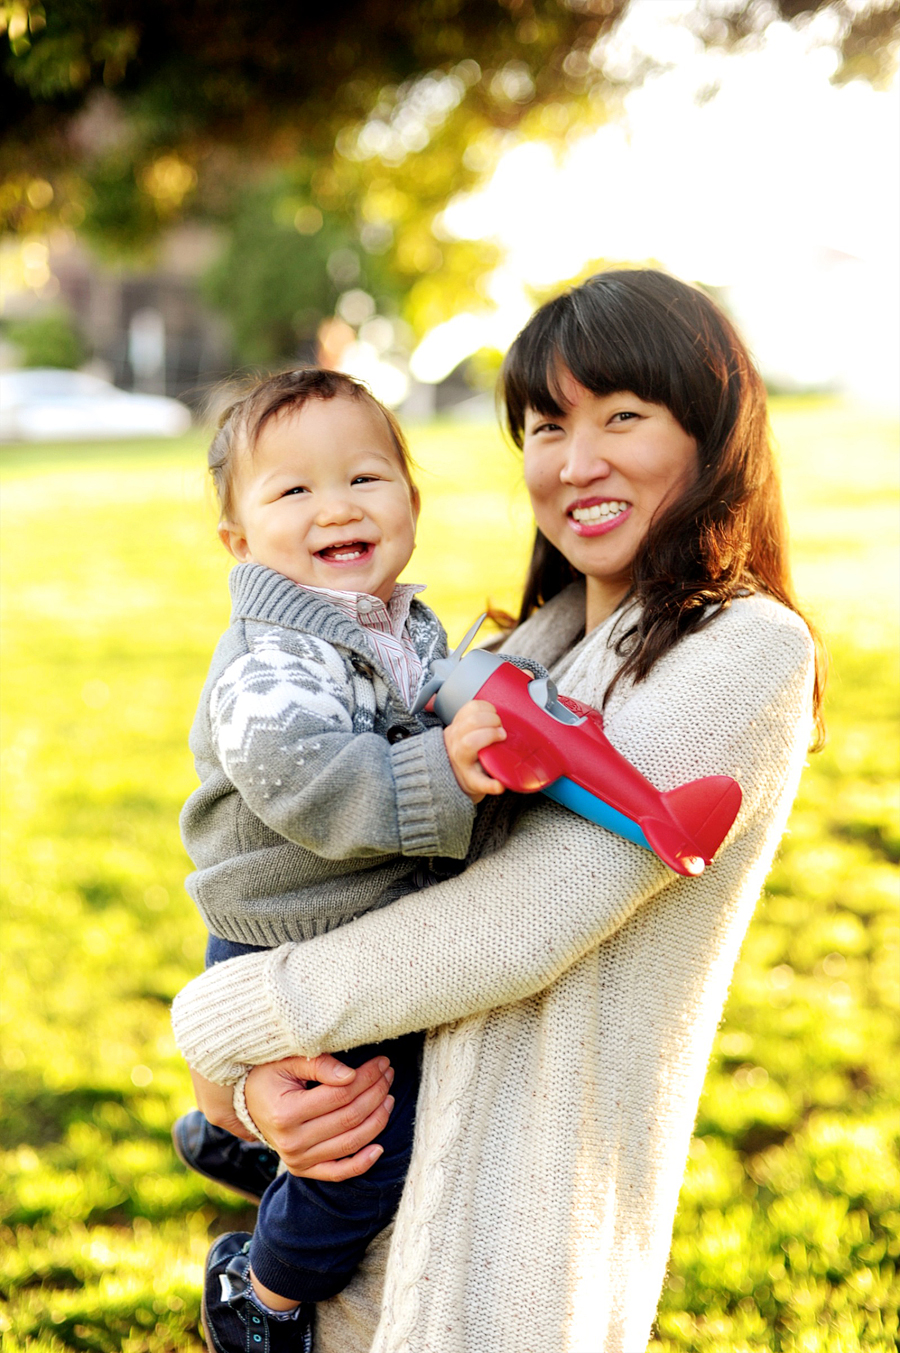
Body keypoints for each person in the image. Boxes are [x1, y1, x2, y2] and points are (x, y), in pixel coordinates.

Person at [172, 269, 824, 1353]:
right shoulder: (522, 649)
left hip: (517, 1225)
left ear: (714, 436)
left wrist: (216, 1023)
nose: (578, 462)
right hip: (385, 1183)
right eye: (547, 425)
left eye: (624, 416)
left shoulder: (748, 650)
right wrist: (246, 1097)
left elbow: (512, 925)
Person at [175, 367, 513, 1352]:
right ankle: (263, 1295)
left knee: (364, 1108)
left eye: (366, 478)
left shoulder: (390, 623)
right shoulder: (271, 658)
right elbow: (315, 785)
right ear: (240, 542)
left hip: (352, 926)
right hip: (279, 933)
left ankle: (226, 1138)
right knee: (369, 1150)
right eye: (293, 492)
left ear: (413, 500)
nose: (337, 506)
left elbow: (411, 707)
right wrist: (441, 773)